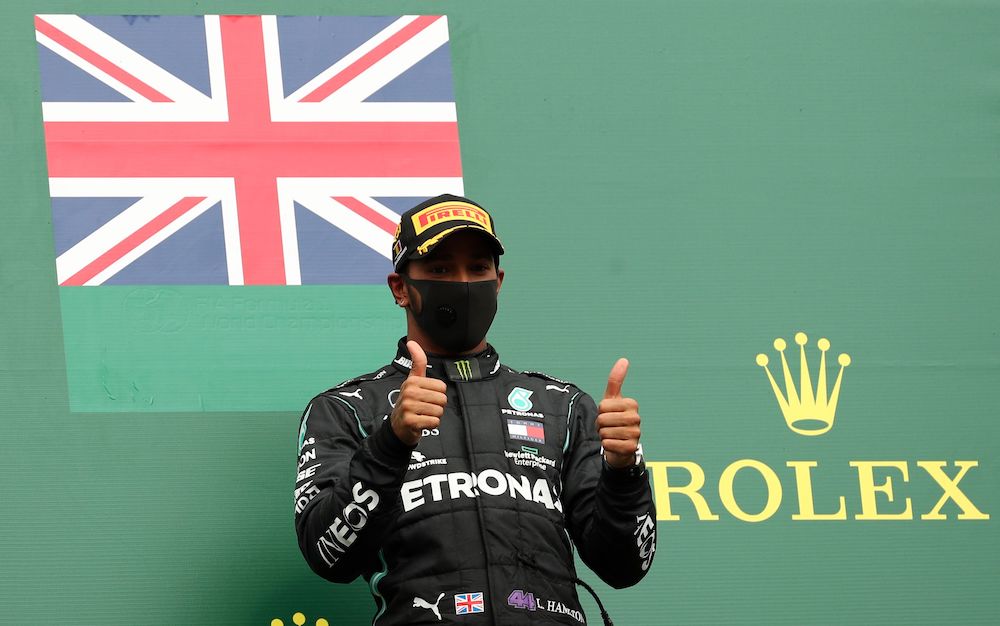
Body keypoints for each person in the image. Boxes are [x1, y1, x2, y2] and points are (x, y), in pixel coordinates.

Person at [294, 194, 656, 625]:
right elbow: (327, 554)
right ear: (400, 288)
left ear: (498, 281)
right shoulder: (347, 409)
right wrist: (391, 443)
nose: (463, 283)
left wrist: (623, 472)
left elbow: (626, 565)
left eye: (478, 268)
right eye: (440, 268)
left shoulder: (562, 406)